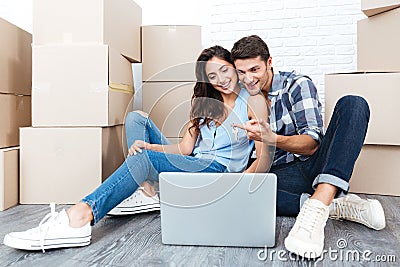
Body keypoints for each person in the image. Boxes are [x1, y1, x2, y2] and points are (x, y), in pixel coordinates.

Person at [3, 45, 270, 252]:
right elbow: (186, 150)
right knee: (136, 118)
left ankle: (80, 216)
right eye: (212, 75)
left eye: (225, 70)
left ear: (234, 69)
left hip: (219, 172)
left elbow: (262, 155)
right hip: (194, 164)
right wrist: (149, 146)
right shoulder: (203, 104)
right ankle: (148, 191)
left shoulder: (252, 102)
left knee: (144, 160)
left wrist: (241, 187)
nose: (221, 79)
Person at [231, 35, 386, 259]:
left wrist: (272, 138)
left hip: (312, 165)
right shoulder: (244, 97)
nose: (248, 79)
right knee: (243, 194)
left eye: (254, 69)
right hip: (281, 173)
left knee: (353, 104)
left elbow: (312, 144)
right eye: (241, 73)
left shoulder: (295, 85)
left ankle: (318, 204)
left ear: (269, 62)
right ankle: (334, 206)